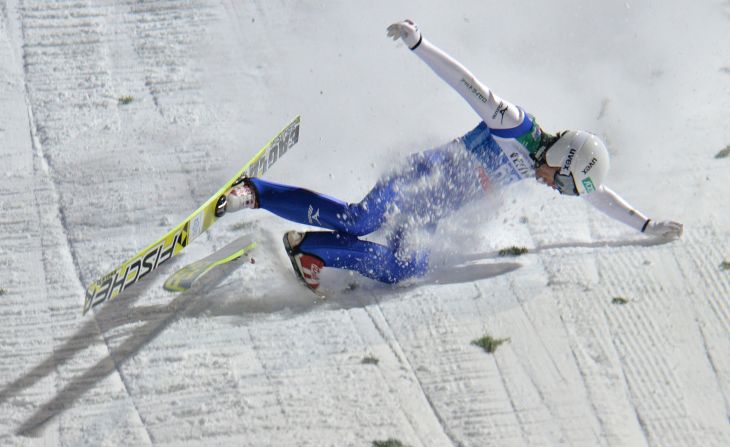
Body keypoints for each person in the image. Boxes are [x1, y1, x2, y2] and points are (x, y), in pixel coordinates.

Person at [217, 20, 684, 293]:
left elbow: (597, 194)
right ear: (562, 156)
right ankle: (255, 193)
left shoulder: (556, 165)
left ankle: (310, 248)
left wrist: (645, 226)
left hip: (435, 209)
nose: (553, 189)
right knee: (361, 219)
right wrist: (419, 44)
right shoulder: (515, 126)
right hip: (419, 179)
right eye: (560, 182)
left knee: (404, 268)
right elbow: (468, 85)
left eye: (563, 189)